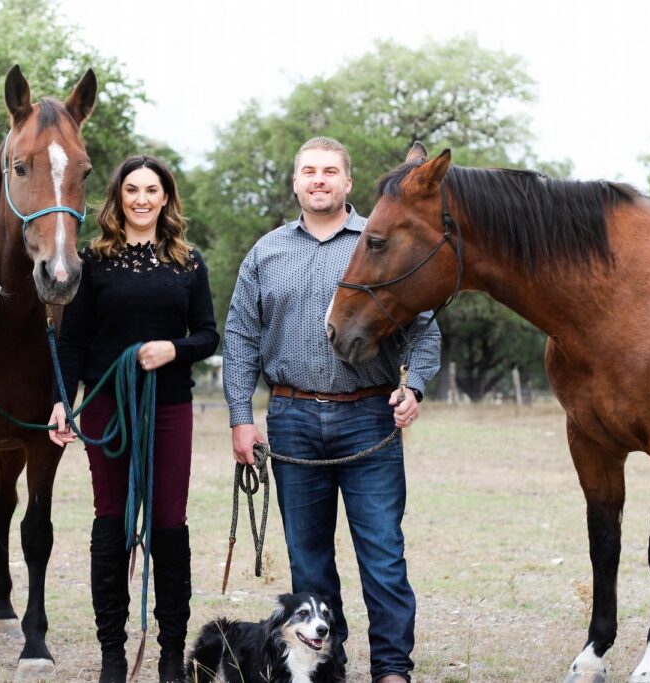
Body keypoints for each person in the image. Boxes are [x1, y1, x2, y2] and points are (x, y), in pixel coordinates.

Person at [222, 136, 440, 683]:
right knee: (310, 564)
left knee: (384, 557)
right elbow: (241, 338)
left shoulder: (381, 244)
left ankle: (392, 670)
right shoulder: (265, 253)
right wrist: (240, 416)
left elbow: (424, 328)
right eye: (308, 172)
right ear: (295, 183)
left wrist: (414, 389)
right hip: (292, 421)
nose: (318, 180)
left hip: (369, 418)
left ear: (346, 182)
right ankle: (326, 670)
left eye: (329, 171)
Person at [48, 155, 219, 683]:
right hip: (107, 406)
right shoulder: (93, 263)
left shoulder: (188, 263)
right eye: (131, 190)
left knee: (169, 523)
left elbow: (208, 335)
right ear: (118, 199)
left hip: (168, 406)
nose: (141, 199)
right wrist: (61, 401)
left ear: (166, 197)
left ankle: (171, 654)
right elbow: (72, 342)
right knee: (112, 521)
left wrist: (174, 348)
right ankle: (112, 656)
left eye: (151, 189)